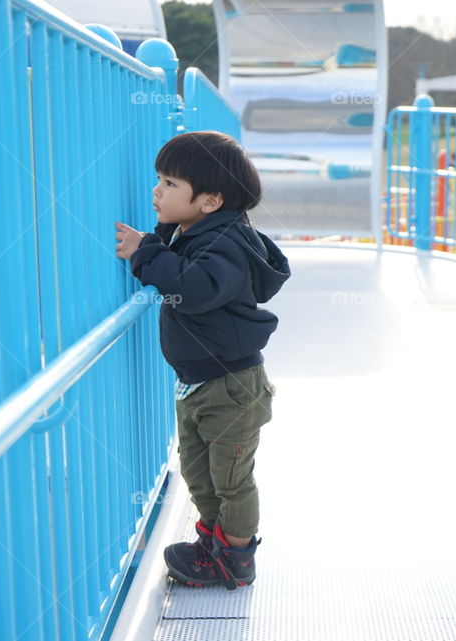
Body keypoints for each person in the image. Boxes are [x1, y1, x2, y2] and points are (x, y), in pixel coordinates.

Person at [114, 130, 290, 589]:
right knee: (198, 471)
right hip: (201, 382)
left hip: (231, 386)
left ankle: (235, 559)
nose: (157, 190)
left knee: (231, 480)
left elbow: (192, 290)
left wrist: (146, 252)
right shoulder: (197, 232)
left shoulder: (225, 244)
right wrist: (160, 240)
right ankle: (211, 543)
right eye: (159, 179)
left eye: (170, 183)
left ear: (210, 201)